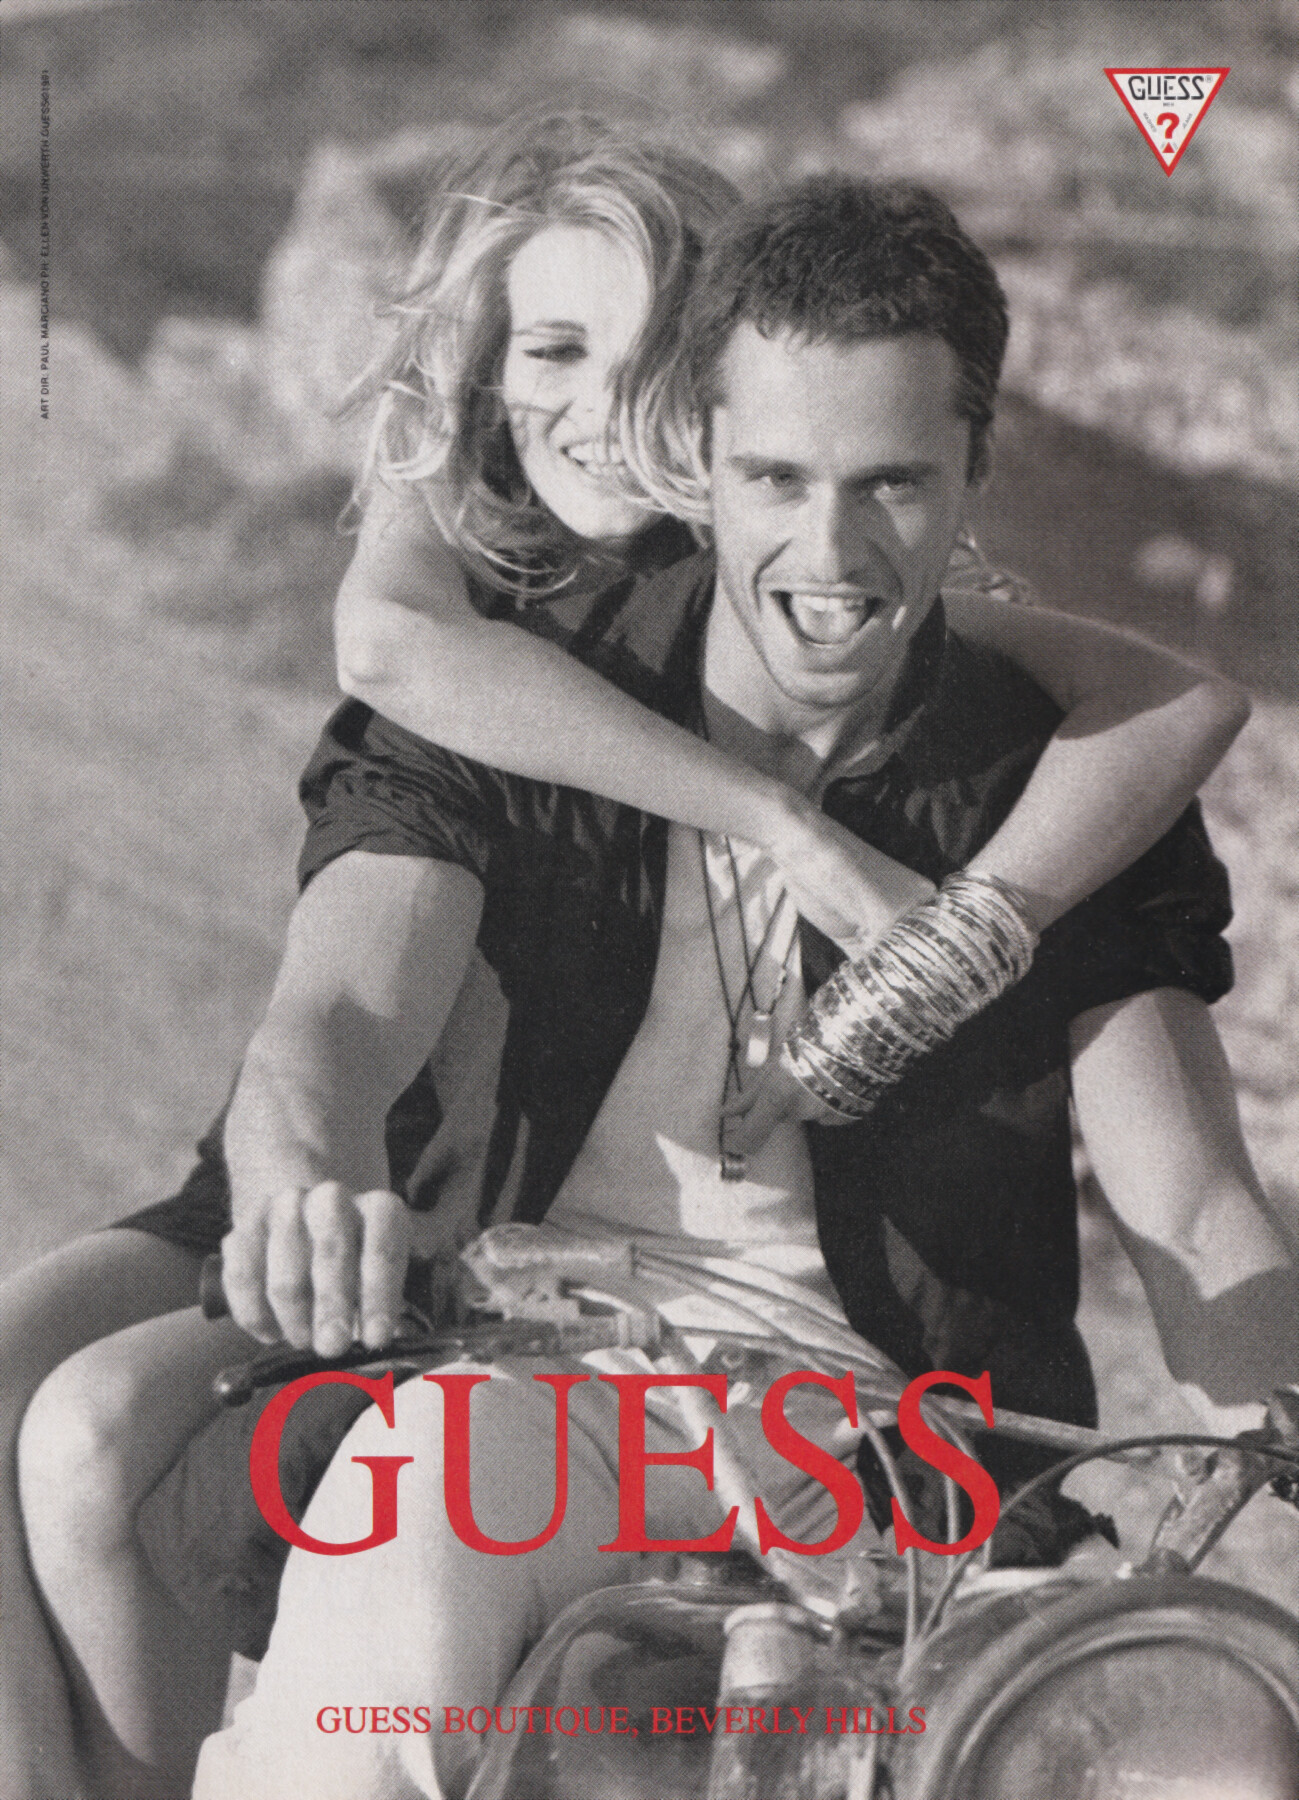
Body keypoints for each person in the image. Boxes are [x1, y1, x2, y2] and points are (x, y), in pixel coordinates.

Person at [0, 117, 1253, 1800]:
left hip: (906, 1447)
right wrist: (307, 1175)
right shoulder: (512, 699)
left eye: (891, 482)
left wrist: (1274, 1407)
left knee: (1208, 1748)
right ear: (705, 455)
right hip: (546, 1381)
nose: (831, 552)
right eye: (778, 481)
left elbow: (1196, 1207)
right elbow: (340, 1014)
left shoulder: (1055, 782)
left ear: (972, 471)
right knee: (384, 1608)